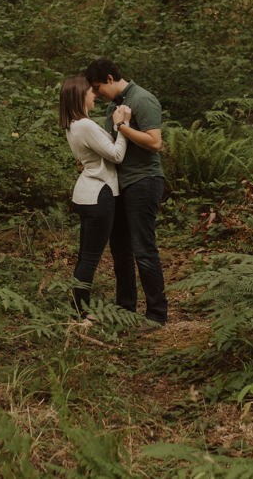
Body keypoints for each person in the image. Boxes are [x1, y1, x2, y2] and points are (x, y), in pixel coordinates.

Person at [84, 58, 168, 325]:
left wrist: (123, 126)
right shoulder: (114, 106)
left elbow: (155, 143)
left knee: (143, 249)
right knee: (120, 249)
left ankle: (156, 314)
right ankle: (125, 309)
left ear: (110, 78)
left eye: (98, 88)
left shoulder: (142, 99)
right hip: (120, 184)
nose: (96, 94)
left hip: (144, 181)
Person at [58, 75, 132, 316]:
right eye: (91, 92)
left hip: (86, 193)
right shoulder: (85, 125)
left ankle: (78, 306)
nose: (94, 95)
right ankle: (80, 311)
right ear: (80, 95)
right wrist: (122, 126)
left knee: (85, 256)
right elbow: (117, 155)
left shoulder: (72, 125)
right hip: (100, 193)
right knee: (90, 258)